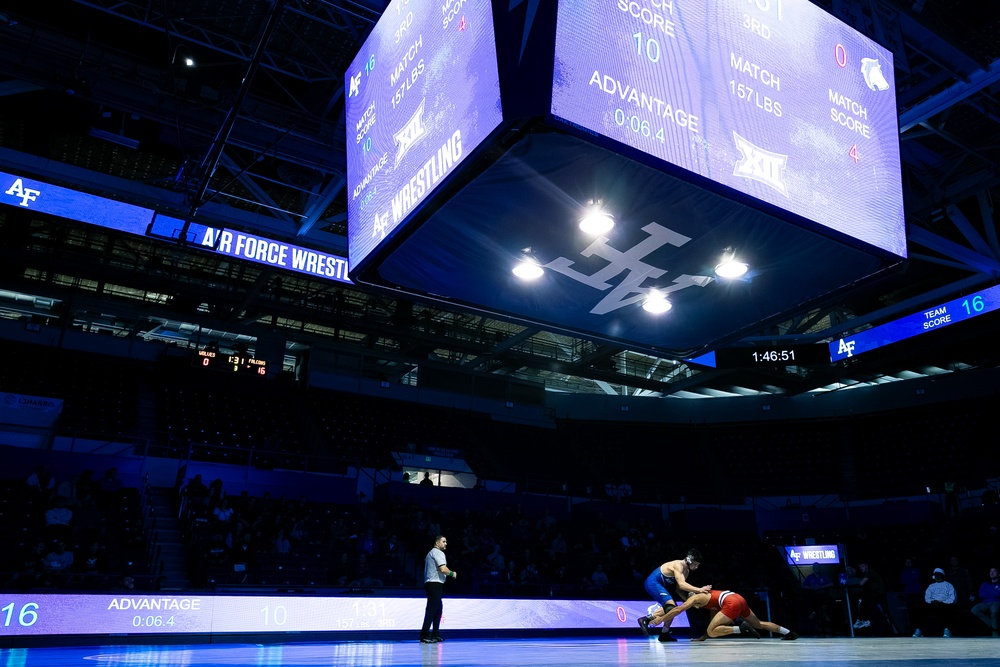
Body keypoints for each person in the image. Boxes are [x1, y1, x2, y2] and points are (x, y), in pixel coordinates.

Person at [636, 549, 711, 642]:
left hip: (658, 584)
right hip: (652, 583)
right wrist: (700, 590)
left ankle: (664, 634)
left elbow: (679, 590)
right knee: (672, 608)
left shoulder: (686, 571)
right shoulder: (678, 565)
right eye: (695, 564)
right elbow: (682, 585)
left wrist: (690, 602)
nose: (696, 567)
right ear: (690, 560)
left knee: (673, 609)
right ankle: (645, 620)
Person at [669, 589, 799, 641]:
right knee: (758, 624)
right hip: (738, 598)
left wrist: (658, 619)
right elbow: (713, 621)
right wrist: (703, 637)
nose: (695, 607)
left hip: (731, 602)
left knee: (713, 632)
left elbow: (711, 627)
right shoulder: (707, 598)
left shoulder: (699, 599)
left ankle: (740, 629)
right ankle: (789, 633)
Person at [420, 535, 456, 643]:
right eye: (443, 541)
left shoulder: (430, 553)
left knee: (438, 609)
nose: (446, 543)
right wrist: (452, 573)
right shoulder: (438, 553)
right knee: (432, 609)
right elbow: (442, 569)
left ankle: (435, 634)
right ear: (437, 543)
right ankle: (424, 635)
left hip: (433, 583)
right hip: (434, 583)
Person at [912, 567, 957, 637]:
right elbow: (927, 597)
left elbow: (952, 598)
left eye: (938, 574)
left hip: (944, 604)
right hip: (932, 604)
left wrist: (942, 602)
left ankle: (946, 630)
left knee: (947, 610)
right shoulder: (931, 586)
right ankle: (919, 629)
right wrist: (932, 602)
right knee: (919, 608)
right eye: (935, 574)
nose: (937, 576)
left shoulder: (948, 585)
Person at [853, 561, 887, 631]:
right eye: (860, 567)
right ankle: (864, 619)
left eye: (862, 566)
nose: (861, 568)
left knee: (865, 602)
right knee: (863, 599)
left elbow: (862, 583)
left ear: (866, 566)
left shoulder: (870, 572)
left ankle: (866, 620)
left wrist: (850, 583)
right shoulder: (865, 574)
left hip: (878, 593)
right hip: (874, 593)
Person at [970, 567, 1000, 637]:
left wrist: (988, 591)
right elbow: (981, 594)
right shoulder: (985, 583)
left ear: (999, 574)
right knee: (974, 610)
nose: (992, 573)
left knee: (994, 610)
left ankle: (995, 633)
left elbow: (998, 595)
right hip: (986, 602)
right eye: (990, 571)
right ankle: (991, 624)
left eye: (994, 571)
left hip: (997, 602)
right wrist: (993, 592)